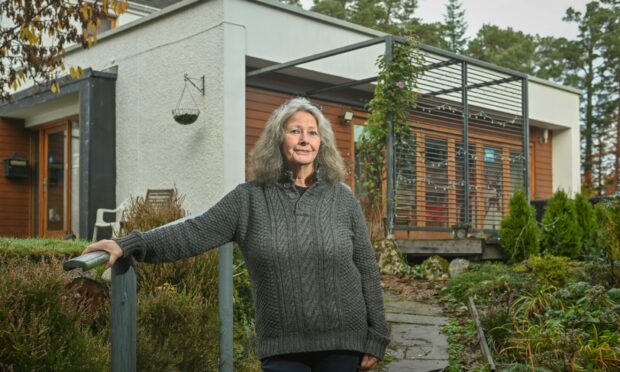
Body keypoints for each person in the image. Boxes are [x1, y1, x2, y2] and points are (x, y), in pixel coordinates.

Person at [83, 97, 389, 371]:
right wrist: (130, 243)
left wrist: (376, 335)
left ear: (322, 143)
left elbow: (366, 270)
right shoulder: (249, 199)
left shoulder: (343, 197)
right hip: (282, 348)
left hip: (342, 343)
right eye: (295, 130)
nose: (304, 140)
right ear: (277, 139)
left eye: (312, 132)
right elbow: (195, 230)